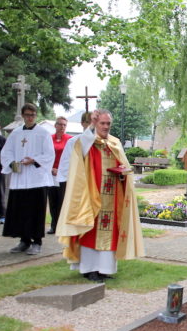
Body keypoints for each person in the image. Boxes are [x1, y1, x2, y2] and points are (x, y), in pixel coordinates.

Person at [56, 109, 144, 282]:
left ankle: (104, 269)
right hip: (92, 197)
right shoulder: (88, 142)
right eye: (102, 123)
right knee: (91, 231)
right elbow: (82, 145)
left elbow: (124, 167)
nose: (105, 127)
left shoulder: (115, 143)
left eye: (108, 124)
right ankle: (89, 269)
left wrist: (122, 174)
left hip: (112, 197)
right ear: (95, 123)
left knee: (109, 233)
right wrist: (90, 126)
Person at [1, 103, 54, 255]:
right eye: (27, 115)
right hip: (20, 178)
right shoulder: (16, 133)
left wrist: (34, 160)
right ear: (23, 116)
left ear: (35, 116)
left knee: (36, 211)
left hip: (37, 179)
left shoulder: (43, 133)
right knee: (21, 211)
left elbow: (49, 155)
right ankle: (24, 240)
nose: (29, 118)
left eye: (32, 115)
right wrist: (13, 164)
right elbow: (6, 152)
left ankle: (37, 241)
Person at [47, 116, 73, 234]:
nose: (62, 127)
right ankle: (54, 225)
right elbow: (46, 154)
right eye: (60, 124)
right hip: (50, 174)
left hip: (63, 175)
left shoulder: (70, 139)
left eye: (64, 125)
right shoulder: (49, 138)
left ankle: (63, 226)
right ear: (55, 125)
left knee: (62, 201)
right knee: (52, 200)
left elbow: (71, 157)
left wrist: (60, 169)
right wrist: (50, 168)